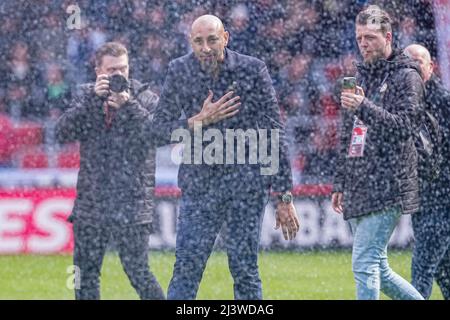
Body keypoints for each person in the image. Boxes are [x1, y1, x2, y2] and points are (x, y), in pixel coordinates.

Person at [153, 14, 300, 300]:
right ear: (190, 42)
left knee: (244, 269)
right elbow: (157, 132)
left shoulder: (252, 69)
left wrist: (283, 195)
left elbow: (274, 132)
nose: (205, 47)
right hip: (200, 186)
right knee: (186, 267)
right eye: (198, 41)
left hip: (246, 186)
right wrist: (197, 120)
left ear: (226, 38)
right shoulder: (179, 70)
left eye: (212, 39)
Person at [56, 42, 167, 300]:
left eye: (123, 69)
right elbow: (62, 132)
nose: (119, 75)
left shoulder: (146, 97)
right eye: (112, 70)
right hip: (92, 201)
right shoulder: (87, 95)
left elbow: (159, 134)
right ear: (98, 71)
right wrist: (94, 101)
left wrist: (128, 105)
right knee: (84, 275)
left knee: (138, 272)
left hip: (132, 201)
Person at [331, 6, 424, 300]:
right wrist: (340, 181)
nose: (363, 43)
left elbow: (405, 127)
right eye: (359, 38)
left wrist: (363, 106)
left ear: (388, 37)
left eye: (370, 37)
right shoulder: (360, 76)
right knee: (379, 269)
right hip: (360, 183)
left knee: (364, 263)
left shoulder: (407, 77)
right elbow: (348, 133)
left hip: (388, 184)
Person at [404, 44, 450, 300]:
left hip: (440, 202)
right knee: (444, 273)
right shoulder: (407, 100)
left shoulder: (442, 102)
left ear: (430, 67)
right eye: (408, 61)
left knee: (420, 274)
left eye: (418, 61)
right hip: (424, 202)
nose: (413, 65)